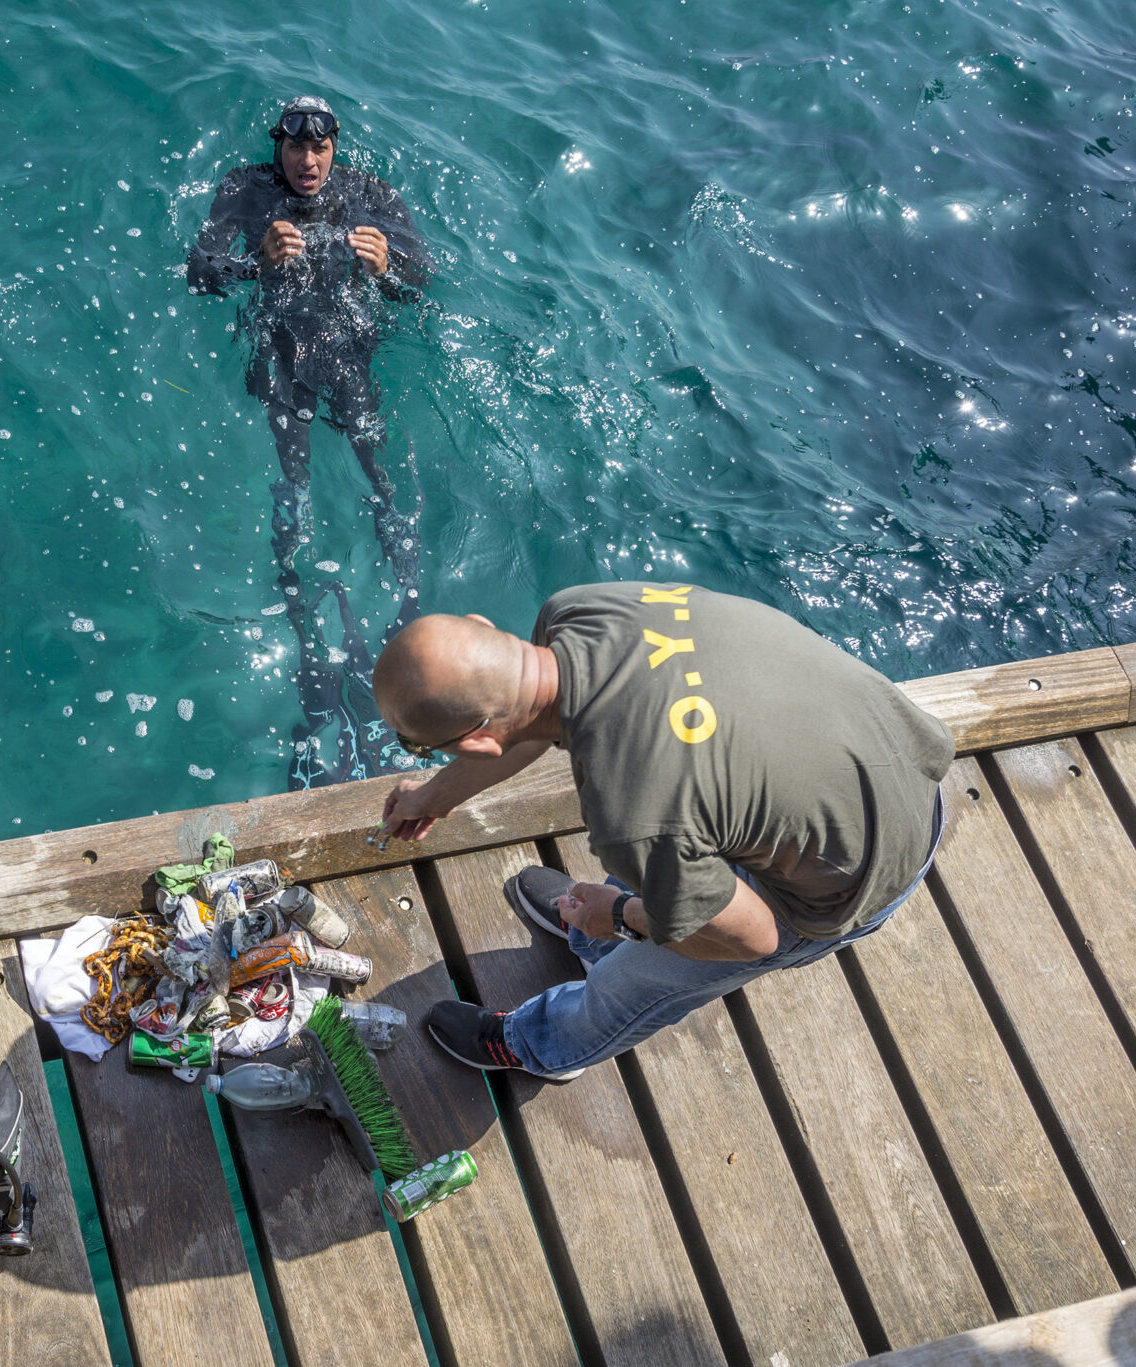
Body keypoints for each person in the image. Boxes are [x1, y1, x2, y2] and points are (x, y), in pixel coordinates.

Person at [373, 583, 954, 1079]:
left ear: (473, 739)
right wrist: (432, 797)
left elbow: (756, 940)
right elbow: (530, 718)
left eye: (417, 745)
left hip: (847, 881)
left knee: (637, 978)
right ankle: (590, 935)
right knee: (665, 848)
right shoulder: (581, 611)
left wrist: (623, 918)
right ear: (482, 626)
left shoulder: (635, 815)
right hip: (891, 763)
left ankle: (540, 1046)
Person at [186, 96, 432, 619]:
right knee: (293, 472)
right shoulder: (245, 189)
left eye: (320, 149)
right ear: (279, 144)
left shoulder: (370, 194)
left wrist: (388, 268)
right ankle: (294, 587)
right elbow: (199, 274)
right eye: (296, 147)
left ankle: (405, 574)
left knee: (376, 464)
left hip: (349, 341)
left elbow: (421, 287)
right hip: (279, 341)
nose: (308, 163)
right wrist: (256, 262)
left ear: (335, 147)